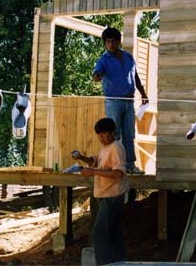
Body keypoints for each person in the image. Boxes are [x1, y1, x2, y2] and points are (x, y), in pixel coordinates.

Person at [72, 118, 130, 265]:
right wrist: (82, 157)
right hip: (105, 196)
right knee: (113, 234)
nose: (101, 138)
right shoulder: (105, 147)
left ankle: (105, 264)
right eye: (99, 135)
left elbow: (118, 174)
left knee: (100, 234)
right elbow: (97, 162)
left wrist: (93, 172)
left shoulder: (116, 147)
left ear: (113, 133)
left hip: (112, 197)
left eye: (104, 135)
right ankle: (119, 263)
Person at [93, 27, 148, 175]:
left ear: (119, 42)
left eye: (113, 41)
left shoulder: (128, 57)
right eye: (107, 42)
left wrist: (143, 93)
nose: (110, 44)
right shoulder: (103, 60)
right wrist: (97, 76)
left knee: (129, 134)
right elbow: (97, 74)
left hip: (129, 101)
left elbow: (135, 76)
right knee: (113, 135)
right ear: (105, 43)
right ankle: (113, 165)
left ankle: (130, 165)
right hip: (114, 102)